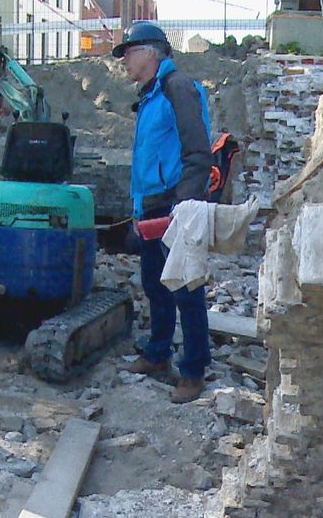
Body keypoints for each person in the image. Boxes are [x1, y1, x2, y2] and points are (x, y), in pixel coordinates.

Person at [113, 23, 214, 404]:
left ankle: (193, 370)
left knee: (187, 288)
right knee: (156, 284)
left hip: (175, 204)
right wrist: (139, 210)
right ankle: (158, 354)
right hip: (154, 205)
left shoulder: (177, 88)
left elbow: (198, 152)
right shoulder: (151, 95)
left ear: (150, 52)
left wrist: (183, 206)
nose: (123, 60)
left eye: (128, 51)